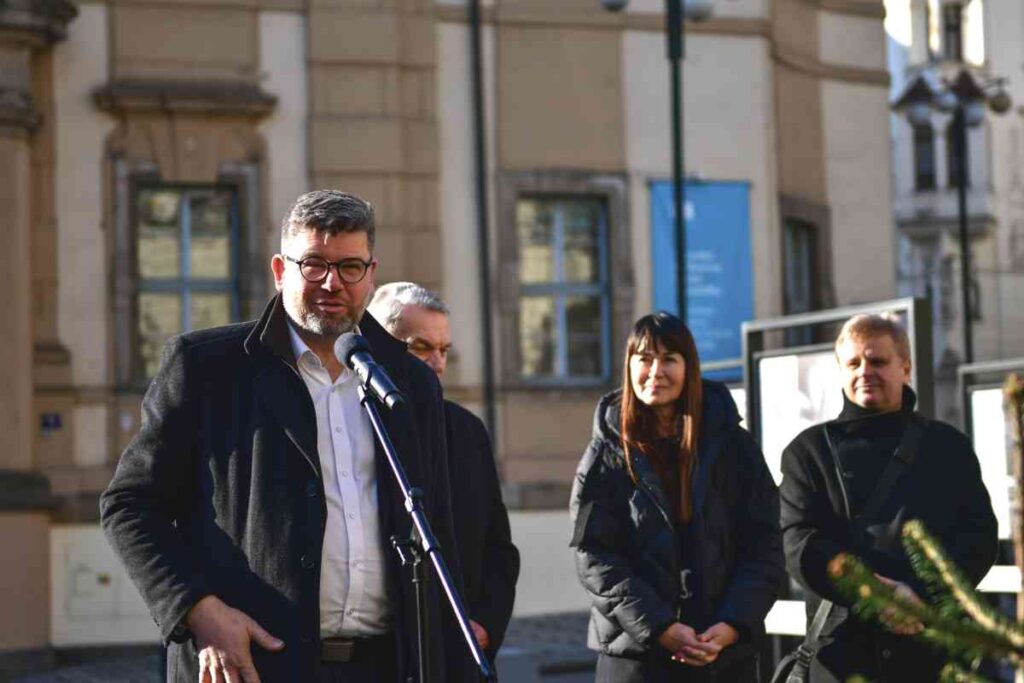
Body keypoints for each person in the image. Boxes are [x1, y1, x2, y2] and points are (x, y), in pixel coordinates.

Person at [101, 190, 465, 683]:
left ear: (371, 273)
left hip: (386, 666)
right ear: (280, 270)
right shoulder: (208, 368)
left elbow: (436, 527)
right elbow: (130, 505)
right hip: (250, 663)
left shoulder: (408, 382)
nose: (332, 283)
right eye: (313, 264)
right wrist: (197, 610)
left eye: (350, 267)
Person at [779, 313, 998, 682]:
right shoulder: (807, 452)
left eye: (877, 361)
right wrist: (875, 595)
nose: (865, 371)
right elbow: (799, 543)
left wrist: (919, 597)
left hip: (931, 648)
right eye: (853, 363)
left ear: (906, 368)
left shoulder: (947, 446)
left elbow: (978, 538)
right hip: (843, 653)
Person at [569, 312, 784, 682]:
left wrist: (732, 624)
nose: (656, 372)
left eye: (669, 358)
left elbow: (764, 544)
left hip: (723, 655)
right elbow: (594, 554)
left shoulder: (733, 445)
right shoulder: (606, 451)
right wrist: (659, 628)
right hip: (636, 655)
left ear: (689, 367)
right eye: (645, 359)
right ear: (629, 366)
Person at [368, 281, 520, 659]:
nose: (437, 363)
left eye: (444, 350)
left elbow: (498, 549)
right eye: (421, 348)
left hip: (455, 651)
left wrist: (486, 623)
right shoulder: (350, 426)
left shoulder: (467, 432)